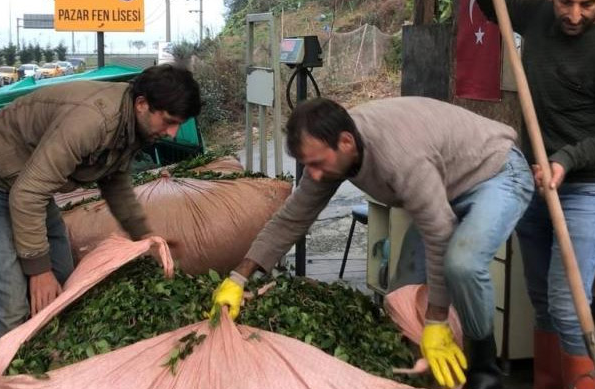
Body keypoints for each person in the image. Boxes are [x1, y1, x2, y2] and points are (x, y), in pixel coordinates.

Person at [210, 97, 534, 389]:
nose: (315, 175)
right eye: (308, 164)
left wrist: (436, 321)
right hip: (443, 190)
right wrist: (238, 278)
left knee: (461, 265)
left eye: (318, 163)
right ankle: (427, 378)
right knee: (403, 297)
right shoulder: (333, 151)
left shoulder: (400, 156)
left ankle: (484, 369)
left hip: (496, 172)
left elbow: (439, 232)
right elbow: (292, 217)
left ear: (346, 142)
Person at [0, 64, 201, 382]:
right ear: (142, 104)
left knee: (65, 287)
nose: (172, 133)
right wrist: (37, 270)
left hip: (28, 186)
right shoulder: (94, 121)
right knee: (9, 307)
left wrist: (147, 238)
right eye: (169, 122)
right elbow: (26, 195)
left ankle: (39, 376)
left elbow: (115, 184)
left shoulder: (132, 125)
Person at [475, 0, 595, 387]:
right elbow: (493, 8)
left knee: (569, 306)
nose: (575, 14)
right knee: (542, 303)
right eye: (565, 1)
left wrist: (564, 160)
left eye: (588, 4)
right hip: (535, 182)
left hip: (586, 189)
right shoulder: (537, 15)